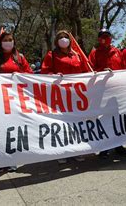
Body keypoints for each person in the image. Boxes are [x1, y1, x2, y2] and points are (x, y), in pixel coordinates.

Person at [0, 31, 33, 172]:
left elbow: (30, 74)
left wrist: (20, 75)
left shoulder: (19, 57)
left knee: (12, 129)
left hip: (15, 99)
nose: (8, 42)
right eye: (5, 40)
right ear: (0, 43)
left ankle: (11, 159)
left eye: (11, 40)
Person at [41, 30, 91, 163]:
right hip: (60, 95)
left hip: (76, 95)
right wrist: (53, 75)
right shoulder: (51, 55)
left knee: (77, 122)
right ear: (56, 41)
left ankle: (77, 149)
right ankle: (62, 152)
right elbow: (45, 72)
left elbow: (86, 71)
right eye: (61, 37)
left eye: (66, 37)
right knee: (61, 123)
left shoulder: (77, 55)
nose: (63, 39)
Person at [88, 28, 126, 158]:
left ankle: (118, 145)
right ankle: (105, 147)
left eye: (107, 36)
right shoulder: (94, 54)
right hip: (102, 92)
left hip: (117, 92)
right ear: (98, 39)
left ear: (111, 38)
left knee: (118, 118)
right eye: (102, 36)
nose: (105, 38)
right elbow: (90, 71)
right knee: (105, 119)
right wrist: (102, 71)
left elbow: (124, 69)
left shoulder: (117, 52)